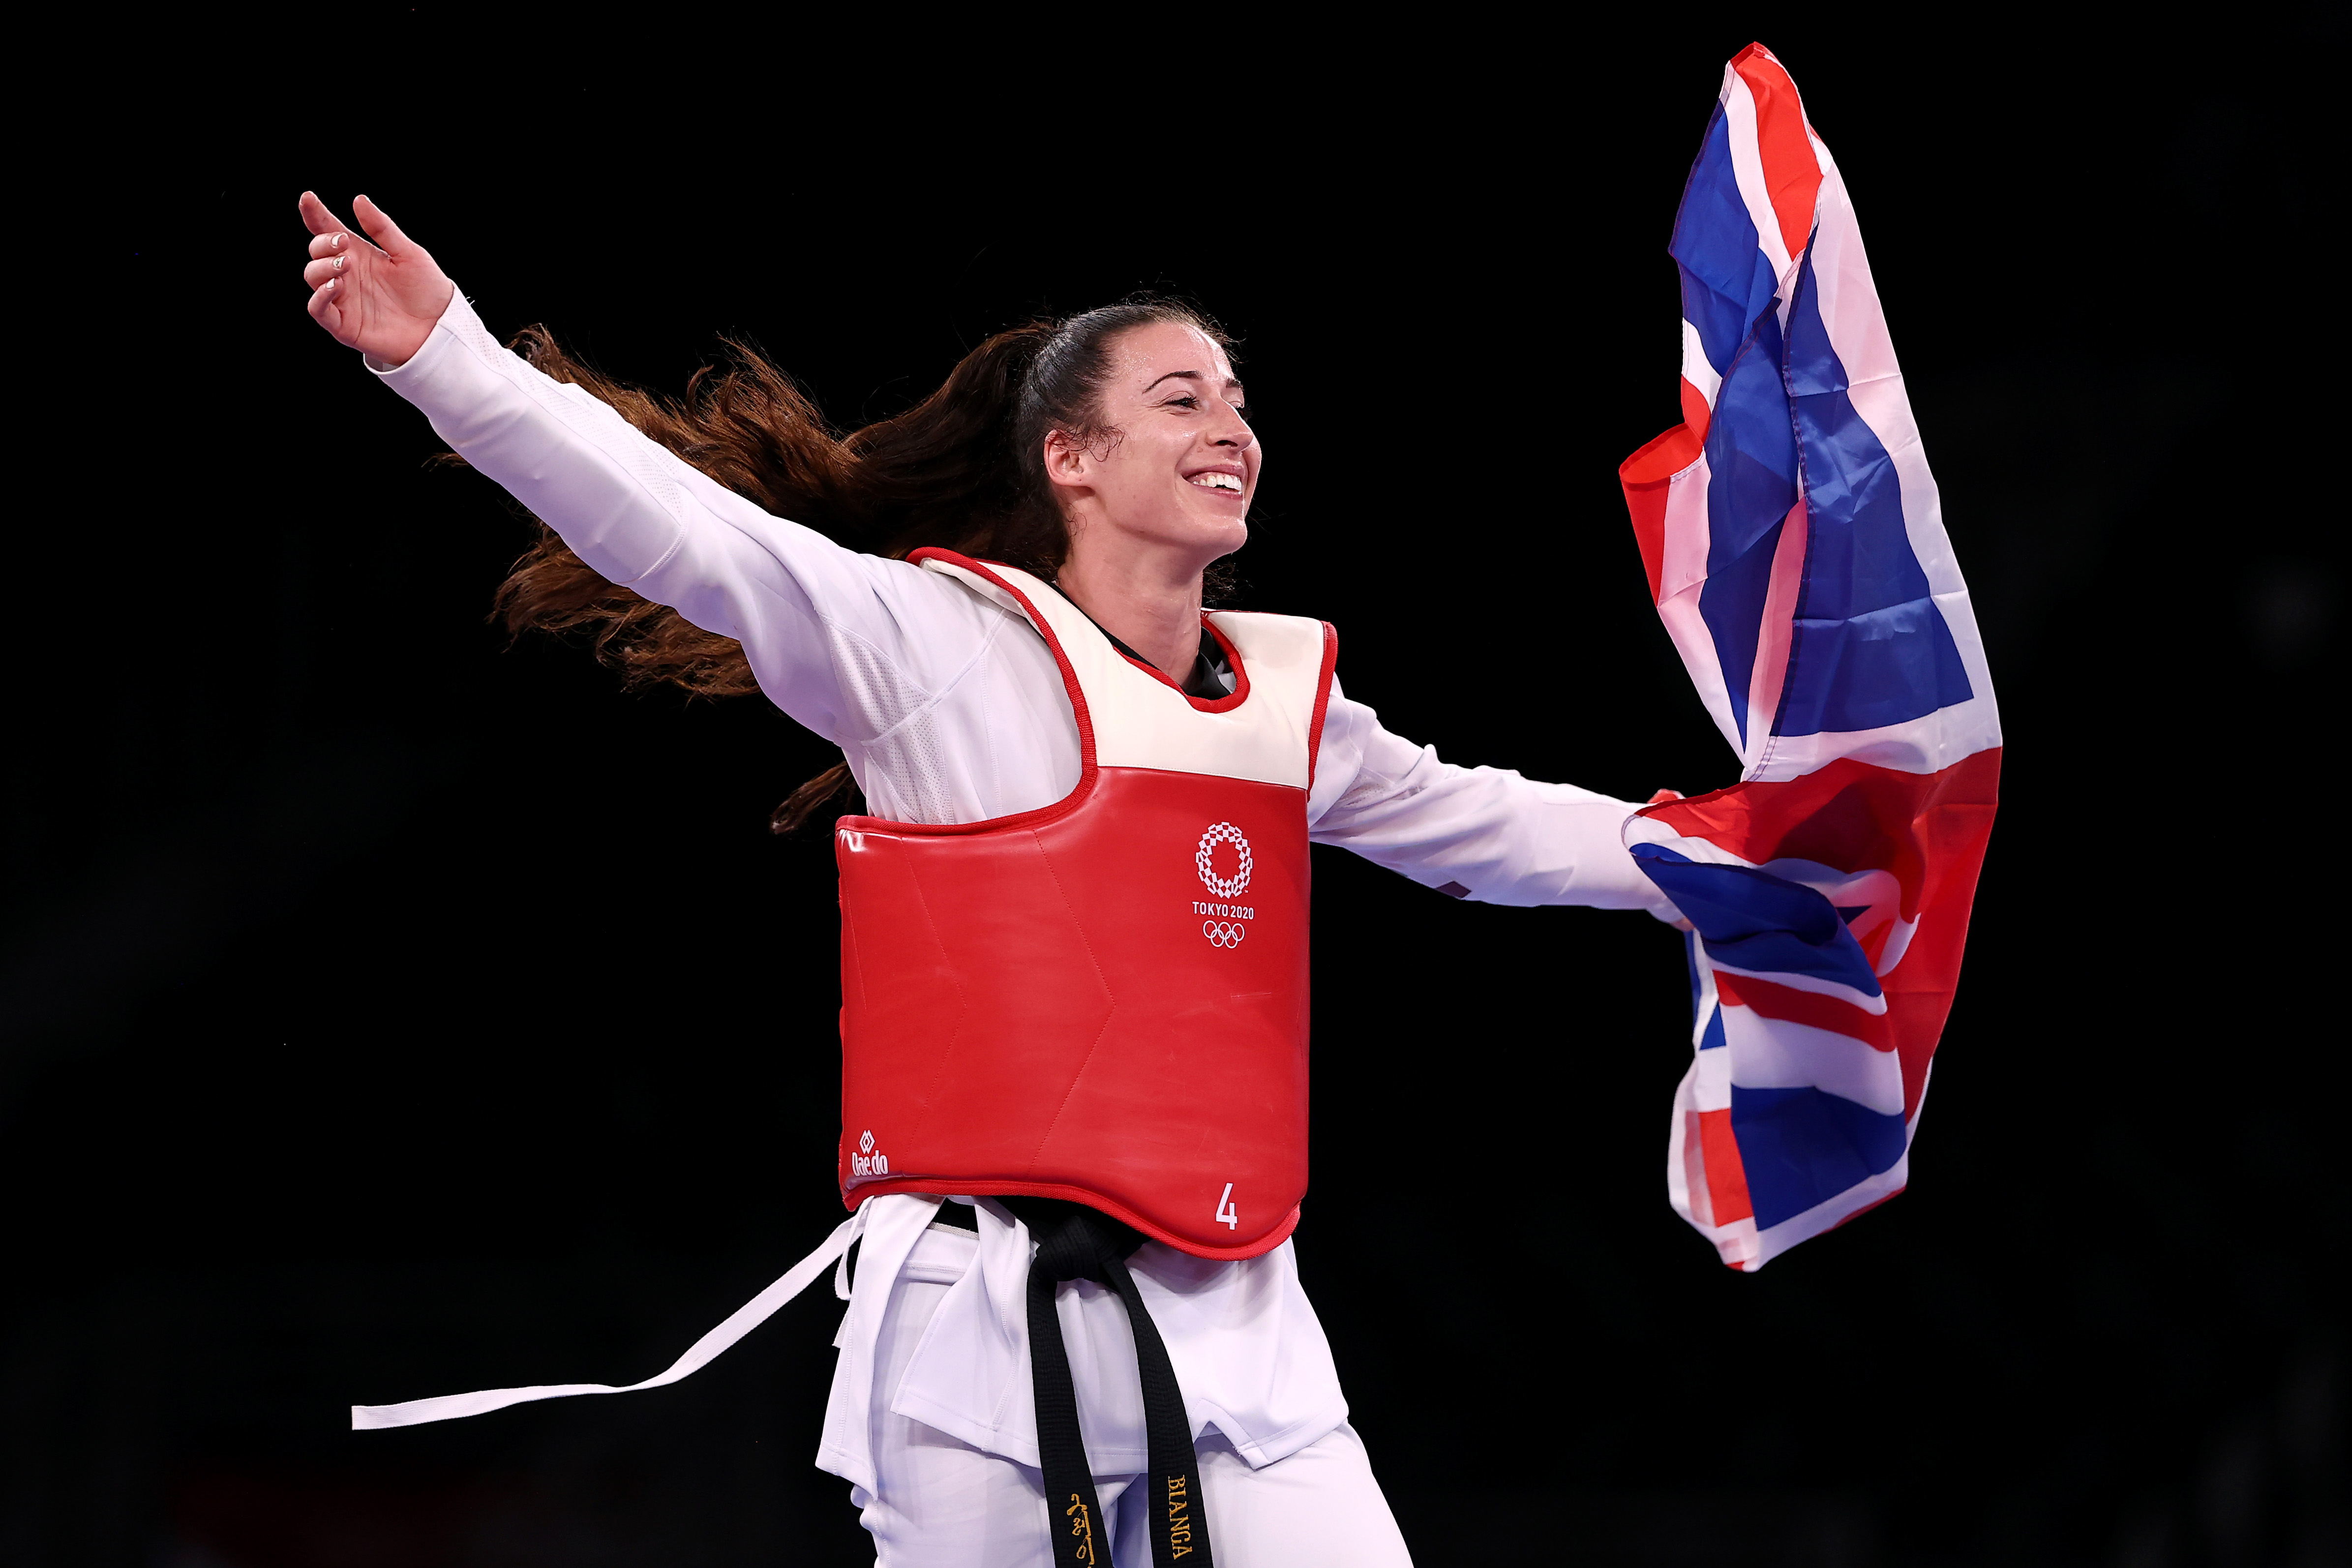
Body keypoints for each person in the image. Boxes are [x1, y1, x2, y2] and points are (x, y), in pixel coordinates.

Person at [299, 190, 1677, 1567]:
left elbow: (1497, 826)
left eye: (1238, 402)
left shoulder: (1283, 710)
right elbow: (682, 529)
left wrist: (1736, 858)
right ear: (1069, 456)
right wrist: (447, 358)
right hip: (977, 1328)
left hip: (1244, 1335)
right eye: (1183, 400)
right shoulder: (933, 648)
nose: (1230, 428)